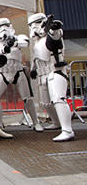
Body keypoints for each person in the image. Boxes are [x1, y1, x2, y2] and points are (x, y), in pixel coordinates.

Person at [0, 18, 43, 132]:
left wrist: (14, 42)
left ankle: (36, 122)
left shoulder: (18, 37)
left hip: (18, 71)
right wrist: (3, 50)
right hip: (3, 72)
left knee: (28, 98)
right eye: (1, 27)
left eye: (6, 26)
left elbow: (25, 42)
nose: (4, 29)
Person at [28, 13, 74, 141]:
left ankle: (67, 130)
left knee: (58, 99)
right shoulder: (37, 42)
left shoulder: (51, 35)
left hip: (55, 71)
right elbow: (36, 58)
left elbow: (56, 36)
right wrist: (33, 69)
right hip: (42, 74)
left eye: (36, 24)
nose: (34, 28)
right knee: (46, 103)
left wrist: (54, 28)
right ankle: (57, 122)